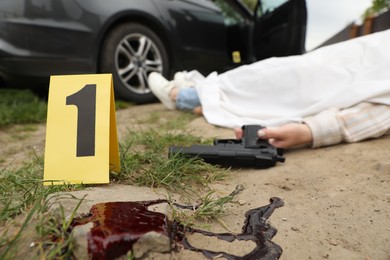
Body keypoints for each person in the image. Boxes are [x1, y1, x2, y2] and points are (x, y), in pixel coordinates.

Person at [148, 30, 390, 149]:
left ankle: (179, 94)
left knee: (271, 78)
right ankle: (194, 91)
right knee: (270, 69)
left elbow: (382, 113)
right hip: (344, 58)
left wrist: (312, 131)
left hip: (336, 79)